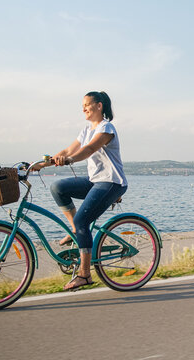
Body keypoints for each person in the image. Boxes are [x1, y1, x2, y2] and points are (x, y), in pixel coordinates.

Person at [34, 91, 128, 290]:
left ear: (99, 105)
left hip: (112, 182)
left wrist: (70, 160)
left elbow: (88, 150)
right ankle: (76, 231)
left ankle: (85, 274)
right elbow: (68, 151)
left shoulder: (106, 128)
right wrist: (42, 164)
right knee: (58, 187)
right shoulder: (86, 130)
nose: (83, 108)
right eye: (82, 106)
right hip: (96, 180)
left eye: (87, 104)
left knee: (82, 219)